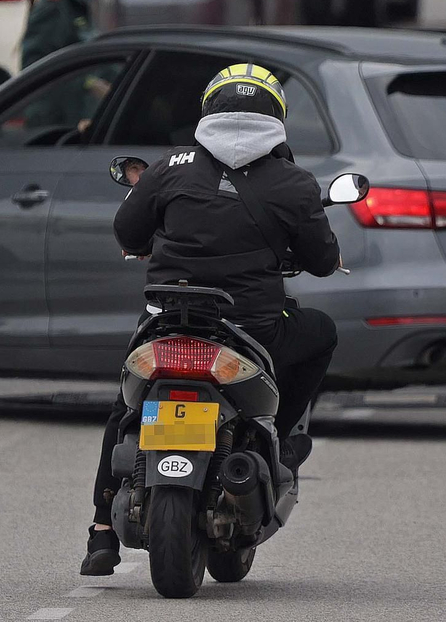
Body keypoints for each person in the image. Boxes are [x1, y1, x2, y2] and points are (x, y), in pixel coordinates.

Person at [80, 64, 341, 576]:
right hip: (250, 330)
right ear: (277, 116)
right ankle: (280, 439)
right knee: (320, 332)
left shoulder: (169, 166)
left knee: (126, 408)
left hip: (166, 322)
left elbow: (128, 232)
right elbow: (323, 260)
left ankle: (102, 533)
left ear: (208, 110)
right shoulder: (294, 182)